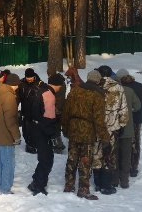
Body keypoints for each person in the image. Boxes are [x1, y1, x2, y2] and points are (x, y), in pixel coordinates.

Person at [61, 70, 110, 200]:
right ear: (98, 81)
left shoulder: (75, 91)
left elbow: (66, 112)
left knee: (71, 158)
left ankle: (68, 185)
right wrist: (105, 139)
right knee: (85, 161)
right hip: (88, 132)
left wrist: (65, 129)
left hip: (73, 129)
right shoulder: (97, 96)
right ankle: (83, 189)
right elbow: (99, 120)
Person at [92, 65, 129, 195]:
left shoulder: (95, 87)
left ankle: (97, 183)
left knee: (96, 154)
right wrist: (123, 125)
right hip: (112, 128)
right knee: (109, 155)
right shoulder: (118, 88)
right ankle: (106, 185)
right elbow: (123, 108)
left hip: (96, 127)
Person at [27, 73, 64, 196]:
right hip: (43, 130)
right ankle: (39, 185)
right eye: (61, 85)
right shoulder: (49, 95)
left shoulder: (41, 90)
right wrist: (52, 134)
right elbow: (49, 117)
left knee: (44, 158)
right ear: (57, 84)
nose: (60, 87)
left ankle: (36, 181)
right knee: (47, 159)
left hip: (36, 128)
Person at [115, 68, 142, 177]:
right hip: (137, 119)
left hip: (122, 119)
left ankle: (121, 165)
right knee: (135, 142)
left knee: (121, 141)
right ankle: (133, 167)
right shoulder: (140, 86)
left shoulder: (119, 88)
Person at [0, 73, 21, 194]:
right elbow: (11, 120)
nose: (18, 87)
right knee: (8, 162)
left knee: (0, 161)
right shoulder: (9, 96)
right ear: (13, 84)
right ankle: (5, 188)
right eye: (17, 85)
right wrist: (17, 136)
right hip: (7, 134)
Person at [111, 73, 141, 188]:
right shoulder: (129, 90)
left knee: (114, 156)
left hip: (113, 129)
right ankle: (124, 181)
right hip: (127, 129)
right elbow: (137, 106)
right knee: (126, 156)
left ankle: (114, 180)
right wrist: (130, 110)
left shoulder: (109, 92)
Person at [18, 68, 47, 154]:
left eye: (31, 77)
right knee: (26, 129)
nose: (29, 79)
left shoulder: (40, 84)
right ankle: (29, 143)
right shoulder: (21, 84)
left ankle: (34, 144)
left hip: (37, 111)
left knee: (35, 129)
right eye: (27, 77)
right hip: (25, 110)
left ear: (34, 76)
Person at [46, 65, 66, 154]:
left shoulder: (58, 84)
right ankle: (58, 144)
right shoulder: (59, 81)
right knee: (56, 128)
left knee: (56, 128)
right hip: (57, 108)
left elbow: (59, 98)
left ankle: (58, 145)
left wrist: (57, 108)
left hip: (57, 108)